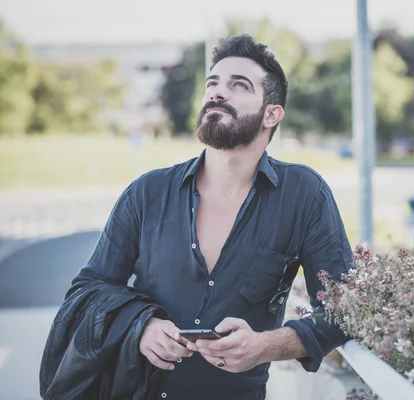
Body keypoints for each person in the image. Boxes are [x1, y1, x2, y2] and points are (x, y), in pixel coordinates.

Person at [44, 34, 354, 400]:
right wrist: (141, 326)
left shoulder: (304, 194)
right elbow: (87, 290)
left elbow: (343, 310)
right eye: (213, 83)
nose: (218, 93)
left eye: (239, 85)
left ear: (272, 114)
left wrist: (265, 345)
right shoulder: (147, 192)